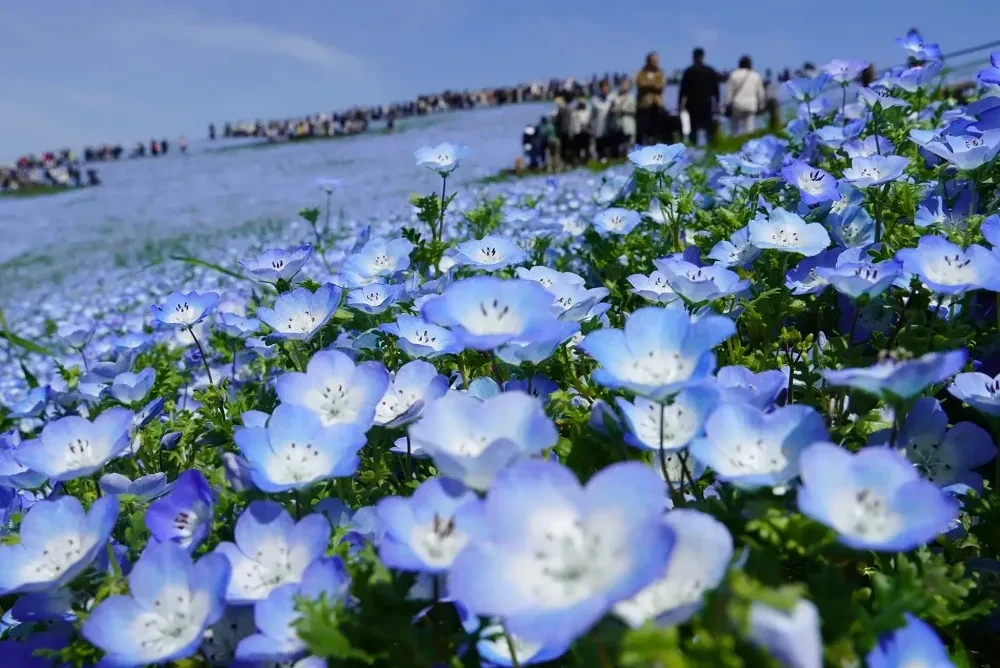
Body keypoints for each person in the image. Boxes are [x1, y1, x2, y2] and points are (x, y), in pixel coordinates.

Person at [678, 47, 720, 147]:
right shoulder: (710, 71)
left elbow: (682, 91)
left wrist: (680, 103)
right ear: (703, 57)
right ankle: (710, 148)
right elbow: (716, 90)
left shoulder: (688, 71)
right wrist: (717, 103)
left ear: (693, 57)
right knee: (708, 128)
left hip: (692, 104)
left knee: (693, 128)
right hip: (707, 103)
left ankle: (693, 149)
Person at [724, 55, 766, 136]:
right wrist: (761, 106)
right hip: (751, 104)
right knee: (749, 128)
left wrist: (727, 104)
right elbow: (761, 93)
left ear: (739, 64)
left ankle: (734, 143)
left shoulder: (734, 75)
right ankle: (748, 145)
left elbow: (728, 92)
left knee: (734, 128)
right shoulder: (756, 75)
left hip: (737, 104)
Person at [636, 52, 666, 145]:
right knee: (643, 128)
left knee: (656, 129)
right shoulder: (641, 73)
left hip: (657, 105)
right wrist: (653, 85)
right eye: (654, 61)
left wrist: (649, 85)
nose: (656, 63)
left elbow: (661, 86)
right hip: (643, 105)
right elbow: (640, 84)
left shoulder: (660, 73)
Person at [609, 78, 636, 157]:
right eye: (622, 85)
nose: (623, 87)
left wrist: (622, 109)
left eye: (625, 85)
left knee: (627, 144)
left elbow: (633, 109)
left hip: (627, 124)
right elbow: (612, 108)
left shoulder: (631, 97)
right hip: (617, 125)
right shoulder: (615, 96)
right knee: (617, 144)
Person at [590, 80, 613, 161]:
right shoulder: (595, 99)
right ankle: (601, 159)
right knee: (600, 144)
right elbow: (593, 114)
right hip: (598, 127)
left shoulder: (611, 98)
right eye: (603, 87)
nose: (605, 89)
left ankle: (608, 159)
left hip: (609, 126)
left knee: (609, 144)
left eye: (606, 87)